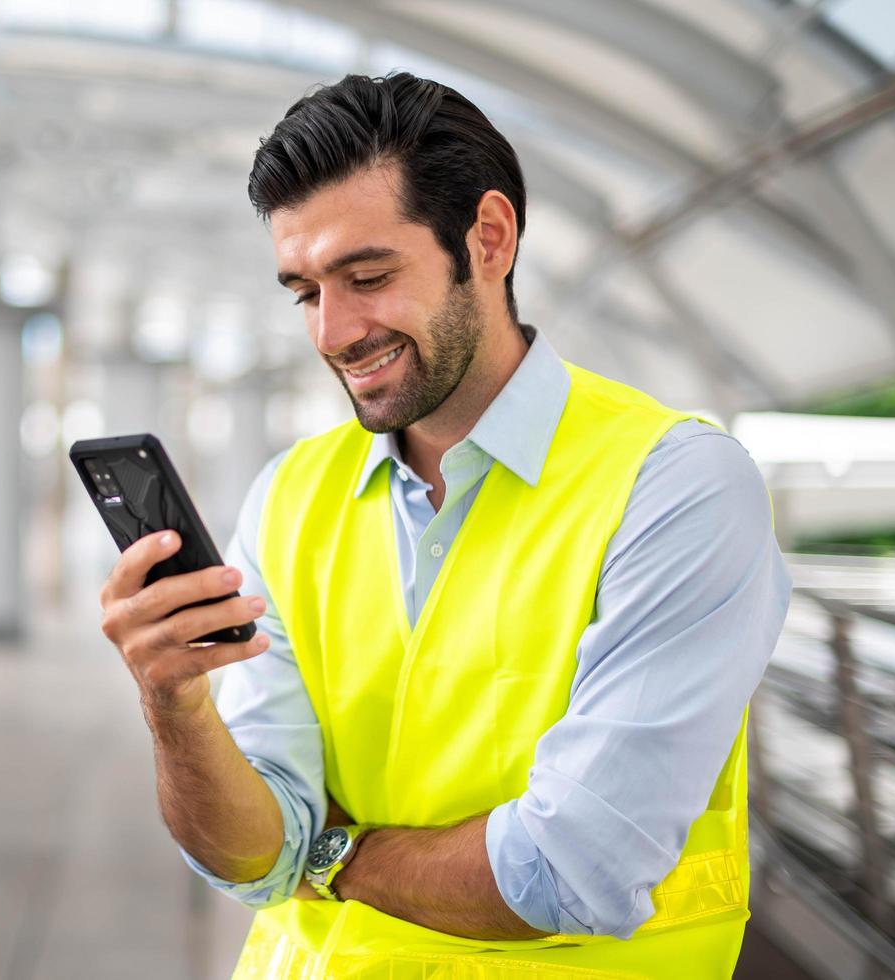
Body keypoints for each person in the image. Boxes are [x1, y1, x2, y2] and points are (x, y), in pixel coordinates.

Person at [97, 72, 790, 978]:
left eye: (368, 276)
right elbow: (256, 860)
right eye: (304, 291)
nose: (333, 332)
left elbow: (571, 870)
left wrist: (336, 857)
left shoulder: (674, 488)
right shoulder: (291, 495)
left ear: (489, 239)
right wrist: (174, 703)